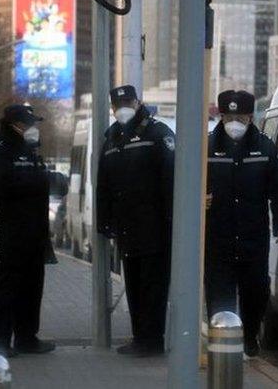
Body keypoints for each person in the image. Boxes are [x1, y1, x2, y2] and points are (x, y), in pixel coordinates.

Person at [205, 90, 278, 357]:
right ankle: (222, 342)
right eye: (229, 116)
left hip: (253, 236)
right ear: (221, 116)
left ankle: (250, 336)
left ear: (250, 117)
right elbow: (190, 184)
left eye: (240, 117)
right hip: (217, 236)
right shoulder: (207, 148)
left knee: (255, 291)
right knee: (219, 293)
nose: (234, 123)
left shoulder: (264, 147)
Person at [96, 85, 175, 357]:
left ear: (138, 102)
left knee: (153, 287)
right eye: (118, 106)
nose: (122, 109)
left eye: (127, 103)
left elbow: (171, 180)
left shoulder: (157, 134)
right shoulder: (112, 139)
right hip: (127, 229)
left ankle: (152, 340)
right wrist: (104, 221)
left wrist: (171, 221)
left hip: (155, 228)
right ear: (112, 109)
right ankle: (140, 337)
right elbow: (103, 186)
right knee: (134, 285)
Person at [0, 104, 56, 358]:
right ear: (16, 125)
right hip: (8, 235)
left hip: (32, 234)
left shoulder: (29, 151)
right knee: (6, 288)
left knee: (32, 289)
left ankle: (26, 337)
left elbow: (37, 182)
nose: (34, 129)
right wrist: (44, 179)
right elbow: (6, 184)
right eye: (30, 124)